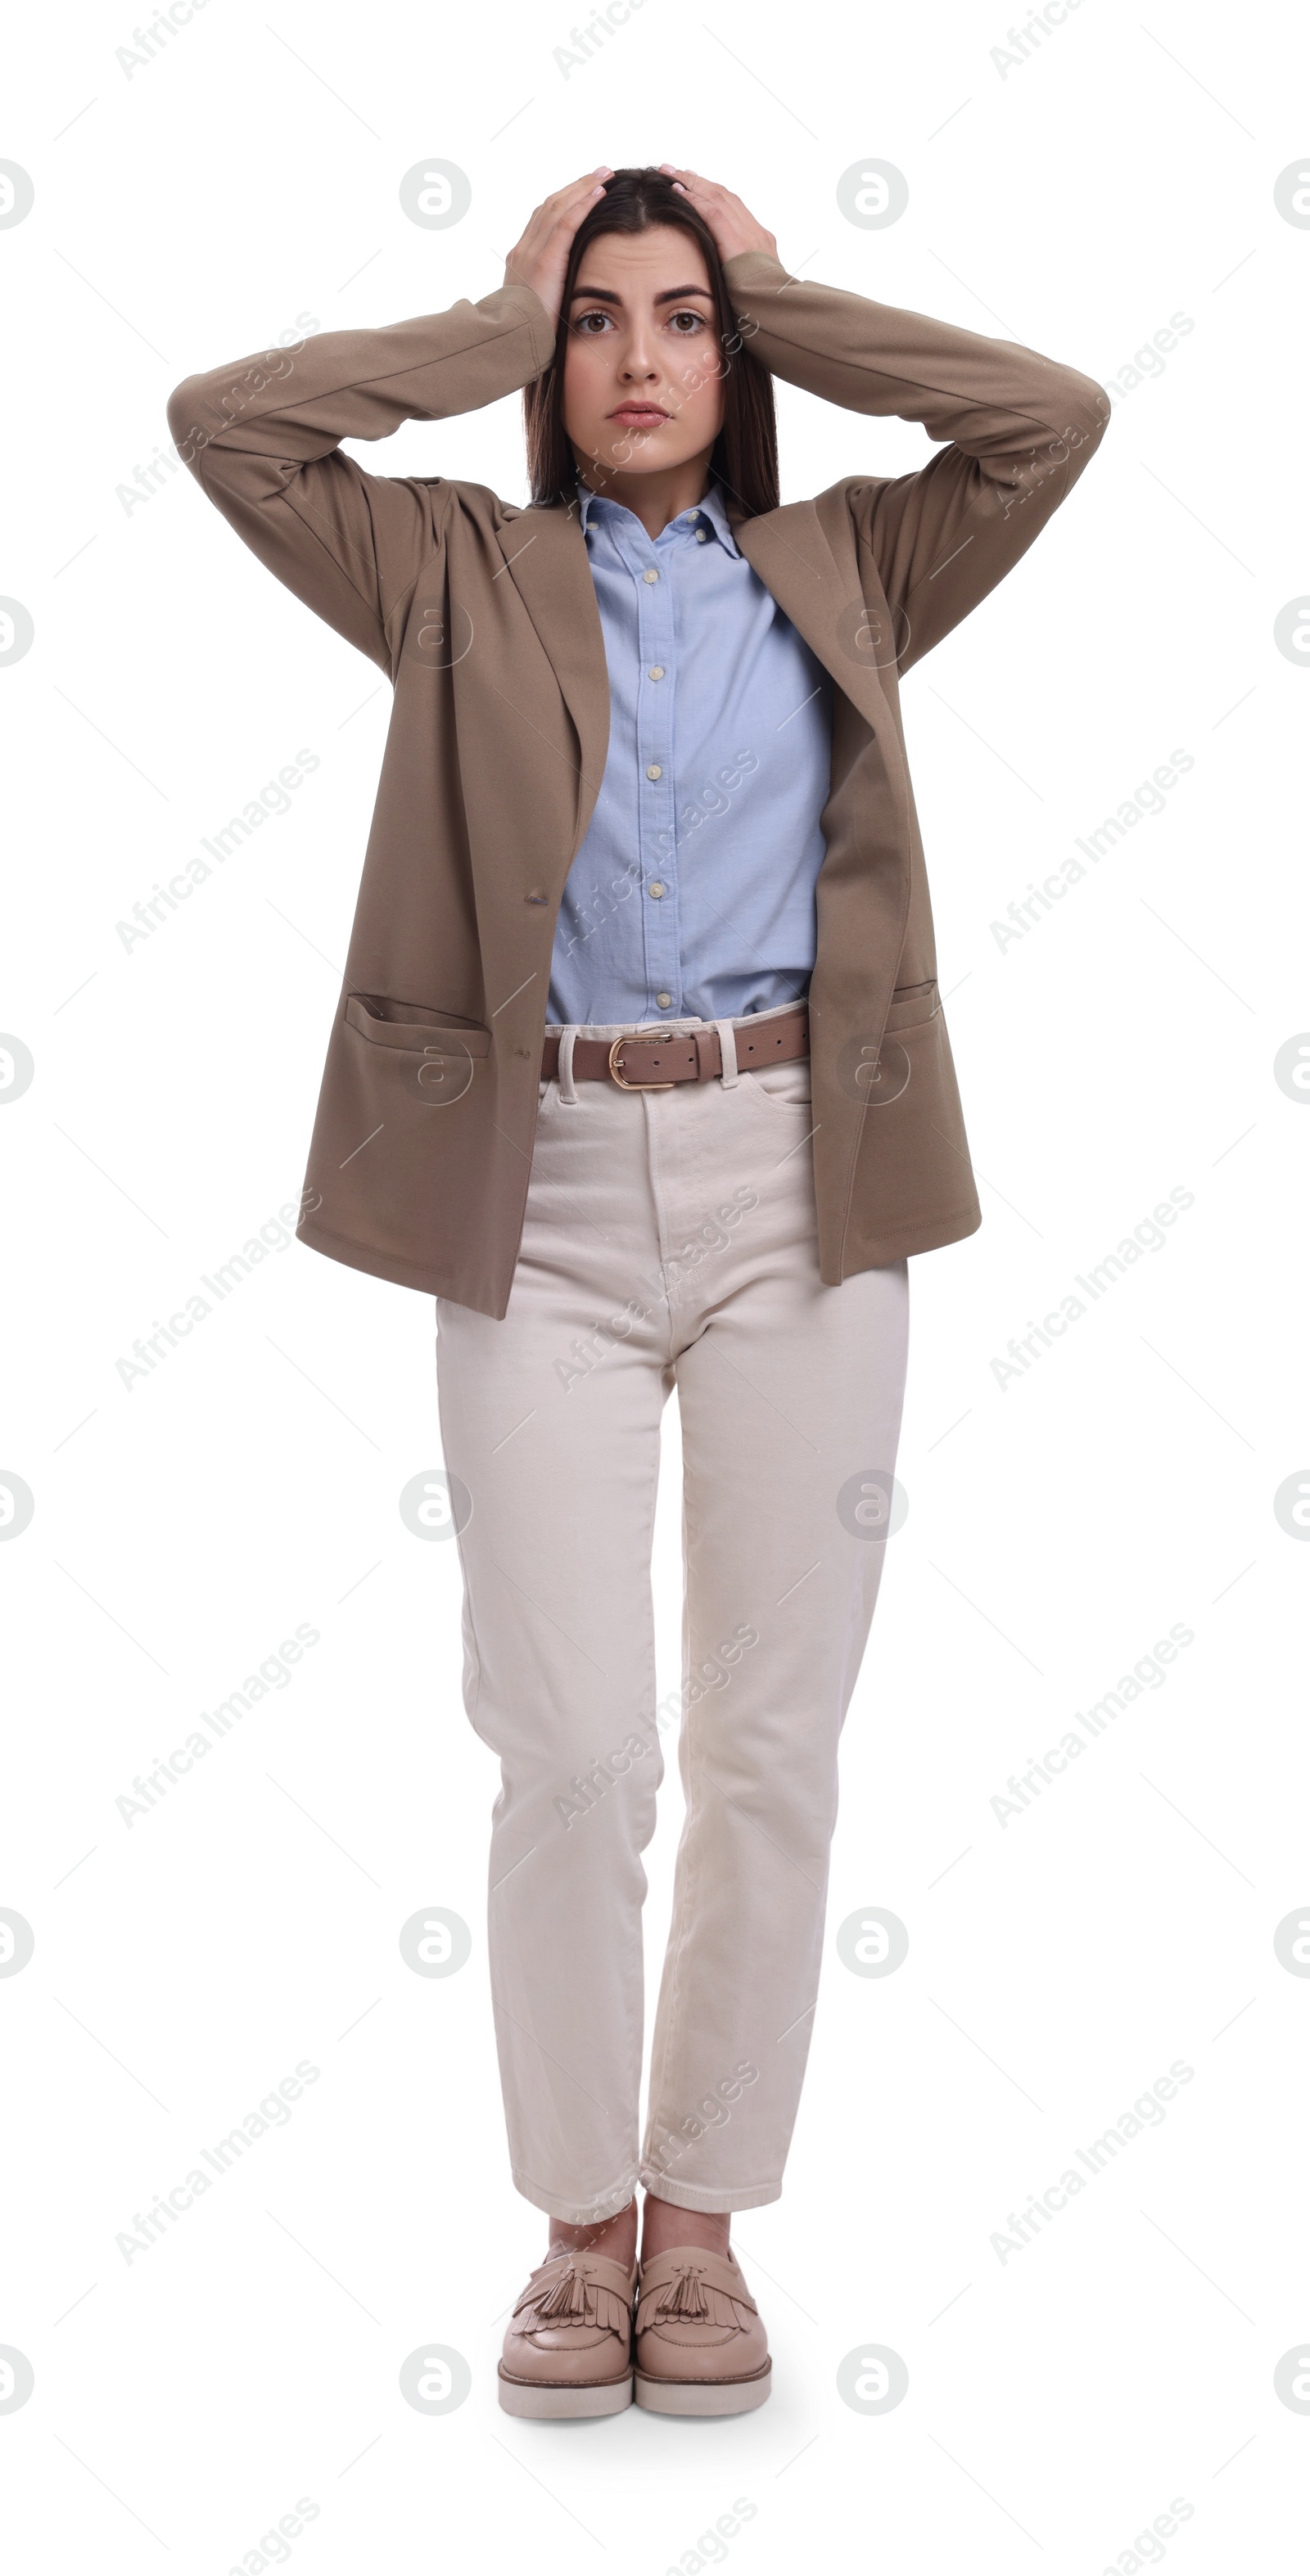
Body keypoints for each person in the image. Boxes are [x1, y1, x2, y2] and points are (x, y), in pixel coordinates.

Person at [168, 162, 1108, 2420]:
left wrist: (789, 296)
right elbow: (232, 425)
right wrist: (493, 320)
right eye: (602, 321)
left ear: (738, 351)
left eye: (681, 321)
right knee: (575, 1750)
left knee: (771, 1744)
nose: (640, 361)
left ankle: (700, 2229)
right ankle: (576, 2224)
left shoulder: (856, 562)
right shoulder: (455, 575)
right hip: (543, 1189)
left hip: (808, 1181)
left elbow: (1046, 416)